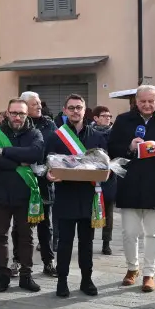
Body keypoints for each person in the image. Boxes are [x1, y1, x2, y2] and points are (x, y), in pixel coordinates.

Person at [107, 85, 155, 292]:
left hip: (154, 184)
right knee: (129, 232)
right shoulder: (123, 120)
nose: (147, 105)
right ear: (136, 101)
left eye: (151, 101)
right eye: (143, 101)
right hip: (129, 184)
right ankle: (132, 268)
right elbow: (111, 148)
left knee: (153, 233)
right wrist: (129, 148)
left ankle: (149, 273)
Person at [45, 94, 105, 298]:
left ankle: (86, 280)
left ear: (84, 110)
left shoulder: (97, 137)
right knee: (64, 243)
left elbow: (105, 165)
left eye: (79, 107)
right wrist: (49, 175)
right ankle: (62, 281)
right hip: (66, 196)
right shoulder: (56, 137)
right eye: (71, 108)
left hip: (89, 196)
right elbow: (48, 165)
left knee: (87, 244)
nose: (75, 111)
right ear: (64, 110)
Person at [0, 98, 45, 293]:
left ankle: (26, 276)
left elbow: (36, 153)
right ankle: (3, 275)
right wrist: (19, 162)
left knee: (26, 236)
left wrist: (6, 151)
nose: (18, 117)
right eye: (14, 113)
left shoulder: (35, 133)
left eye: (22, 113)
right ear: (8, 113)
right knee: (0, 235)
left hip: (24, 195)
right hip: (0, 195)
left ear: (27, 115)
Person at [20, 91, 57, 276]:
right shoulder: (17, 124)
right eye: (35, 104)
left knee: (45, 225)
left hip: (45, 181)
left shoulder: (50, 124)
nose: (40, 106)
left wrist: (51, 168)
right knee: (21, 225)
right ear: (24, 106)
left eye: (40, 104)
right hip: (23, 181)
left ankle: (48, 261)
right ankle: (19, 262)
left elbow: (58, 150)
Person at [89, 106, 117, 255]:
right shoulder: (89, 133)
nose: (108, 118)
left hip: (109, 177)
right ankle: (89, 240)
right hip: (92, 177)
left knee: (109, 212)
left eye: (109, 115)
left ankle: (107, 243)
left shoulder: (115, 134)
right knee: (91, 210)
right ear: (96, 118)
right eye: (104, 115)